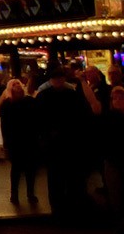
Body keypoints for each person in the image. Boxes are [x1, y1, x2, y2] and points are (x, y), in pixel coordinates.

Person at [35, 64, 98, 219]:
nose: (58, 81)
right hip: (66, 143)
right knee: (67, 177)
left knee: (59, 178)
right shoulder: (70, 95)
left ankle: (61, 208)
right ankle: (68, 207)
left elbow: (38, 121)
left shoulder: (45, 96)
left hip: (60, 144)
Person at [0, 78, 39, 205]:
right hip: (15, 140)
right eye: (14, 84)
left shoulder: (29, 101)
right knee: (16, 168)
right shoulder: (7, 104)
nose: (17, 86)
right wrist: (6, 142)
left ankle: (30, 193)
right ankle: (15, 194)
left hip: (29, 138)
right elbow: (5, 125)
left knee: (30, 169)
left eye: (18, 84)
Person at [100, 86, 124, 234]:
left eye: (120, 98)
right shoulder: (110, 117)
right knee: (118, 199)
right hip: (114, 161)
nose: (117, 101)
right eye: (114, 98)